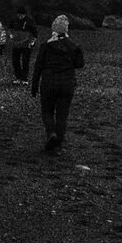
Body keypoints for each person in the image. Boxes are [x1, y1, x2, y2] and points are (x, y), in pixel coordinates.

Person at [29, 14, 86, 152]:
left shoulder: (46, 46)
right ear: (66, 30)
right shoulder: (73, 46)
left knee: (47, 111)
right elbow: (80, 64)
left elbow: (38, 66)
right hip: (67, 83)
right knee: (62, 114)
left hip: (49, 82)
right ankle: (58, 144)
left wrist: (34, 85)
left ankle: (51, 133)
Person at [12, 16, 38, 87]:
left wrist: (32, 42)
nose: (20, 16)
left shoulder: (30, 21)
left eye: (21, 15)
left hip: (26, 45)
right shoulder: (15, 21)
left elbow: (35, 33)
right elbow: (11, 29)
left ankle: (24, 78)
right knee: (15, 60)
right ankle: (18, 77)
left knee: (25, 60)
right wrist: (12, 37)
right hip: (17, 44)